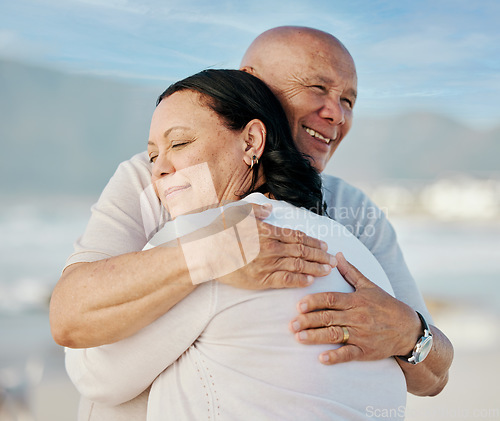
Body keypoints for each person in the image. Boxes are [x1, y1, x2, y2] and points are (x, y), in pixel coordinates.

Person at [50, 26, 452, 413]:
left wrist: (407, 332)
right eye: (317, 88)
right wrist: (214, 254)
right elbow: (71, 314)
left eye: (349, 100)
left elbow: (434, 378)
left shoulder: (354, 210)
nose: (336, 114)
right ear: (252, 83)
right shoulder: (160, 180)